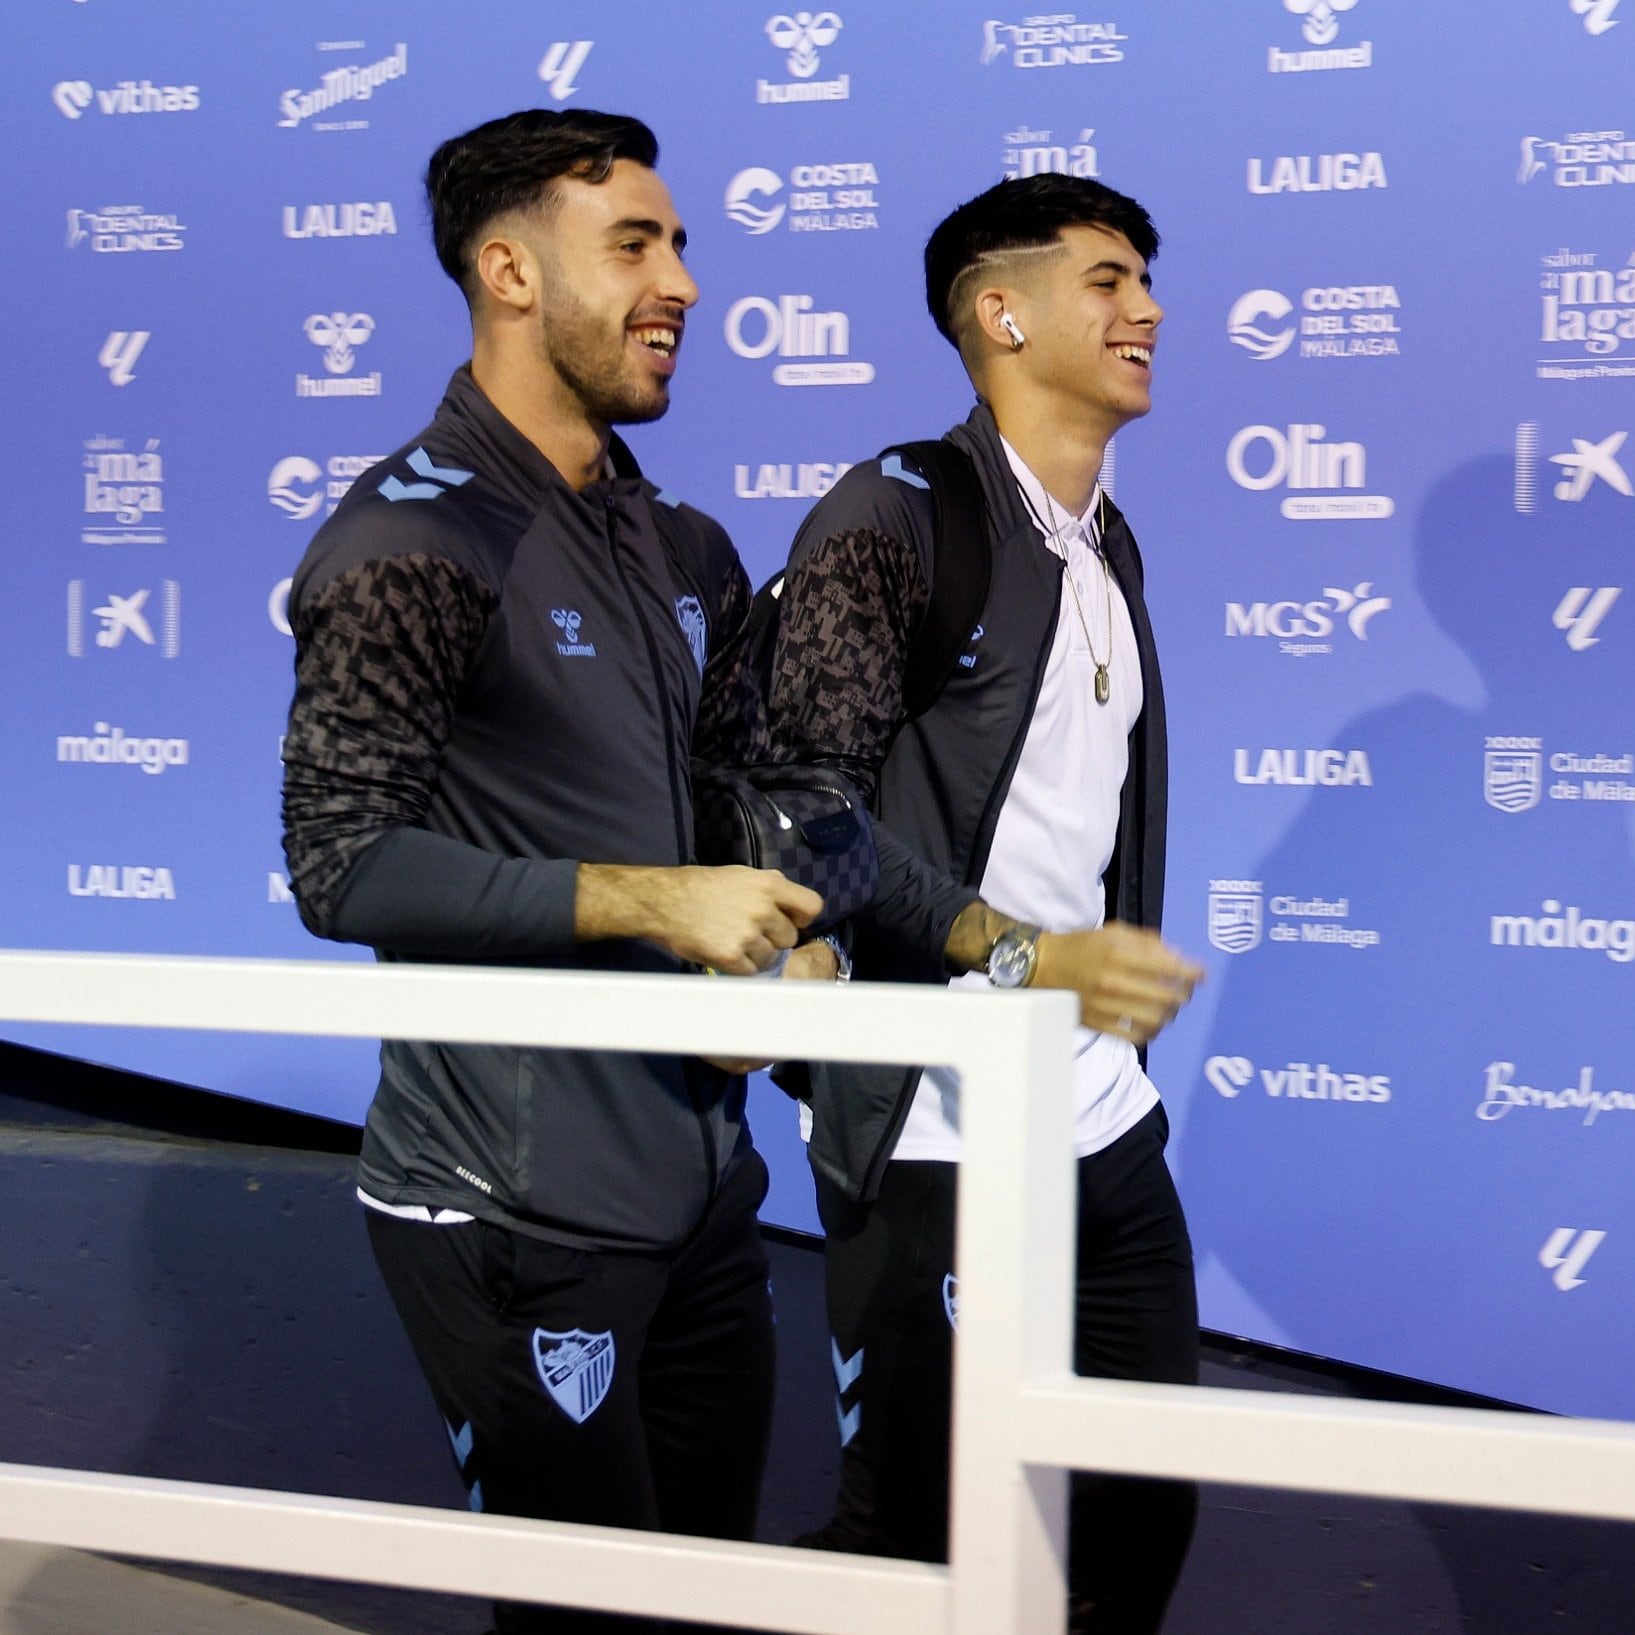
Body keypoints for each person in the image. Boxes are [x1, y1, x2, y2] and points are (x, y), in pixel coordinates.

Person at [280, 108, 834, 1634]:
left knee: (702, 1604)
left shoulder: (689, 550)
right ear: (509, 271)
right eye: (638, 246)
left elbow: (743, 819)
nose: (686, 283)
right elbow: (341, 866)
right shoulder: (411, 540)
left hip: (707, 1195)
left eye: (681, 243)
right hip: (506, 1211)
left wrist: (798, 944)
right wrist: (654, 904)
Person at [765, 173, 1206, 1633]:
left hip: (1095, 1111)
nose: (1145, 307)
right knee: (917, 1529)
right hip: (930, 1120)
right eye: (1107, 279)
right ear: (1001, 313)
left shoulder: (1109, 541)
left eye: (1146, 278)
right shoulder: (894, 515)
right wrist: (1023, 958)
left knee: (1145, 1508)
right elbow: (804, 818)